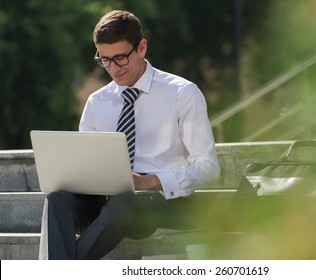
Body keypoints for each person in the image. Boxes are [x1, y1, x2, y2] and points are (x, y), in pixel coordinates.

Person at [41, 10, 220, 260]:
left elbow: (209, 168)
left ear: (141, 48)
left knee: (122, 204)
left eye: (120, 58)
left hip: (163, 203)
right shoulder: (97, 101)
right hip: (109, 204)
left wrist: (152, 181)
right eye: (104, 59)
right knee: (58, 200)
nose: (113, 69)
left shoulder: (183, 93)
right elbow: (87, 162)